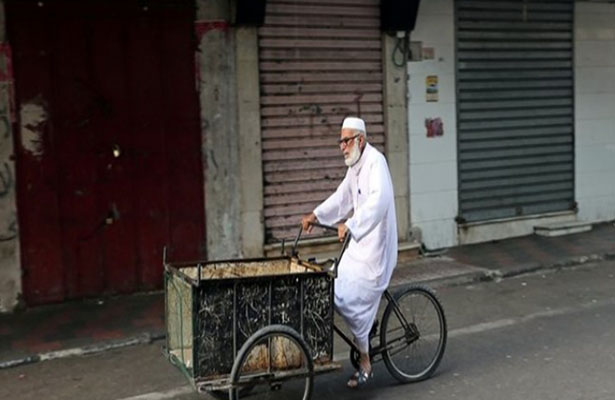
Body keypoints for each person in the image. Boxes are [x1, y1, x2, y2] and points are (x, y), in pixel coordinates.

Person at [301, 116, 398, 388]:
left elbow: (379, 202)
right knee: (334, 286)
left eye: (345, 141)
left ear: (360, 140)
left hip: (376, 250)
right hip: (359, 245)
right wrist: (316, 215)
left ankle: (365, 360)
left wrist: (352, 224)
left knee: (352, 300)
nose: (342, 147)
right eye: (340, 141)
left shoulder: (376, 162)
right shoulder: (355, 166)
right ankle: (364, 332)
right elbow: (342, 197)